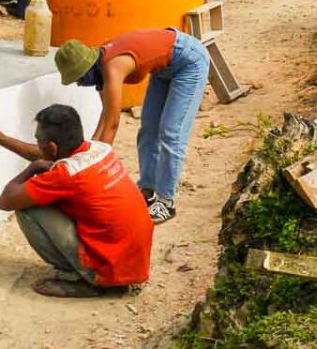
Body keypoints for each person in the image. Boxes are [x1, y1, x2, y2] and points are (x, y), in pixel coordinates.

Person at [0, 104, 153, 298]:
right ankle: (102, 274)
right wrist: (1, 138)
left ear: (52, 147)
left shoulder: (66, 174)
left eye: (38, 140)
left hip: (109, 269)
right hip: (135, 262)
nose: (37, 144)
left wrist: (32, 169)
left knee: (27, 207)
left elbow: (7, 200)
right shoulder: (99, 149)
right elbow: (45, 154)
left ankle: (88, 279)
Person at [53, 29, 210, 225]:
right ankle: (147, 189)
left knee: (171, 134)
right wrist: (88, 152)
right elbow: (105, 115)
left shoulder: (111, 67)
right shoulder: (100, 68)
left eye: (78, 78)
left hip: (188, 60)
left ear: (86, 69)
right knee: (148, 132)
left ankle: (166, 201)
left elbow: (112, 124)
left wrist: (94, 168)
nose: (77, 84)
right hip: (163, 69)